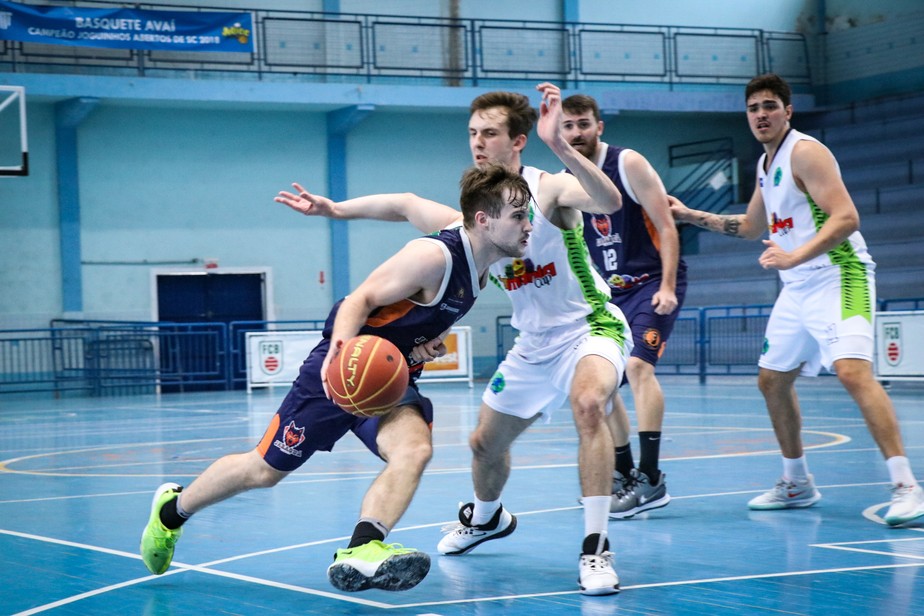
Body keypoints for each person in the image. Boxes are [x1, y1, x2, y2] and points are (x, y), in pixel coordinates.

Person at [280, 83, 632, 595]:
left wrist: (561, 145)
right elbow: (403, 204)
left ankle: (596, 549)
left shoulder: (549, 188)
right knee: (483, 445)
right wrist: (334, 211)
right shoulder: (478, 218)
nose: (477, 142)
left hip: (589, 327)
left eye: (489, 133)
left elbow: (610, 201)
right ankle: (487, 518)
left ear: (518, 140)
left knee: (587, 404)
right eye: (472, 133)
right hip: (533, 343)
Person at [139, 163, 534, 592]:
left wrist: (423, 344)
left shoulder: (481, 264)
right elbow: (358, 300)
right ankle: (171, 511)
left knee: (415, 449)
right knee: (265, 470)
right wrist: (339, 357)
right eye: (518, 216)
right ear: (483, 219)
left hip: (388, 376)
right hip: (343, 367)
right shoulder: (434, 255)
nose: (528, 225)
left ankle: (363, 549)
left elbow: (403, 203)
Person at [668, 73, 924, 526]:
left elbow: (846, 217)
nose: (761, 115)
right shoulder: (766, 166)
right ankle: (797, 482)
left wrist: (794, 256)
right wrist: (689, 214)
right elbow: (750, 226)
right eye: (753, 108)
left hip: (839, 274)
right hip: (798, 284)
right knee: (771, 380)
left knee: (852, 372)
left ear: (788, 111)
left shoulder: (805, 152)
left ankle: (907, 486)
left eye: (769, 106)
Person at [561, 94, 685, 519]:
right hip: (610, 293)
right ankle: (625, 472)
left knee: (637, 367)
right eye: (568, 126)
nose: (575, 133)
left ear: (599, 126)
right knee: (604, 379)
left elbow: (666, 226)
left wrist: (667, 285)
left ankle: (651, 479)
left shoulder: (628, 163)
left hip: (651, 282)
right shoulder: (567, 179)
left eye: (582, 124)